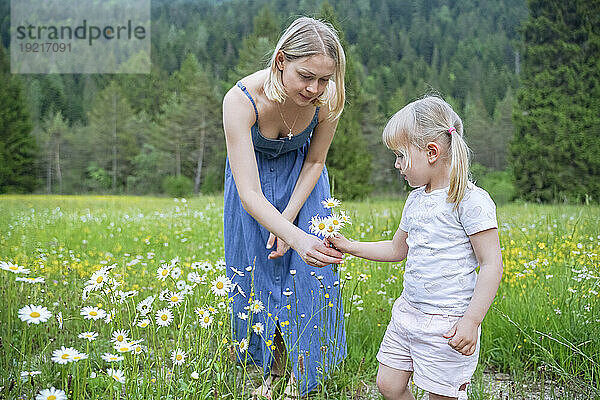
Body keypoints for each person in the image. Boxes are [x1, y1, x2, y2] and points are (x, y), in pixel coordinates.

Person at [328, 96, 504, 400]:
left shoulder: (470, 200)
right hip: (407, 314)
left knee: (440, 396)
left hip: (449, 325)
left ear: (431, 152)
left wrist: (471, 321)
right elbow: (398, 249)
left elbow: (491, 264)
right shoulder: (416, 200)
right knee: (389, 385)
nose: (397, 164)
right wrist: (350, 246)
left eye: (400, 155)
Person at [222, 16, 347, 399]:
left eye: (324, 80)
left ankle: (307, 373)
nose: (314, 89)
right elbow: (249, 193)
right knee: (256, 269)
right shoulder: (240, 101)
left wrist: (290, 223)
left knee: (312, 275)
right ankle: (270, 368)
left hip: (304, 186)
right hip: (253, 186)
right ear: (280, 61)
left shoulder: (328, 100)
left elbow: (314, 162)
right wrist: (289, 235)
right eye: (306, 76)